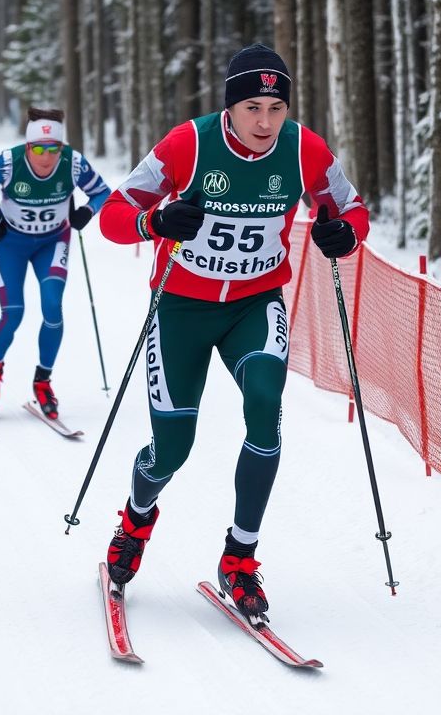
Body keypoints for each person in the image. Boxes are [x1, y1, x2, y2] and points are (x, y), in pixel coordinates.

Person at [98, 43, 369, 625]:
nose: (266, 121)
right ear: (230, 106)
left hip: (254, 303)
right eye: (253, 106)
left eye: (276, 107)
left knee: (266, 407)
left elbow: (351, 209)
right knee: (172, 447)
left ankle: (240, 559)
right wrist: (154, 221)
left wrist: (342, 235)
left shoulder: (305, 150)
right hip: (180, 308)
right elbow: (113, 215)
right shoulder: (188, 145)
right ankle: (135, 521)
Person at [0, 108, 110, 420]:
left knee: (52, 308)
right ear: (28, 146)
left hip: (52, 242)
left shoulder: (73, 162)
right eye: (39, 149)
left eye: (53, 148)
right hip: (11, 245)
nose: (46, 156)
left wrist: (86, 212)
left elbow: (102, 191)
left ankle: (42, 381)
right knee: (13, 313)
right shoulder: (8, 162)